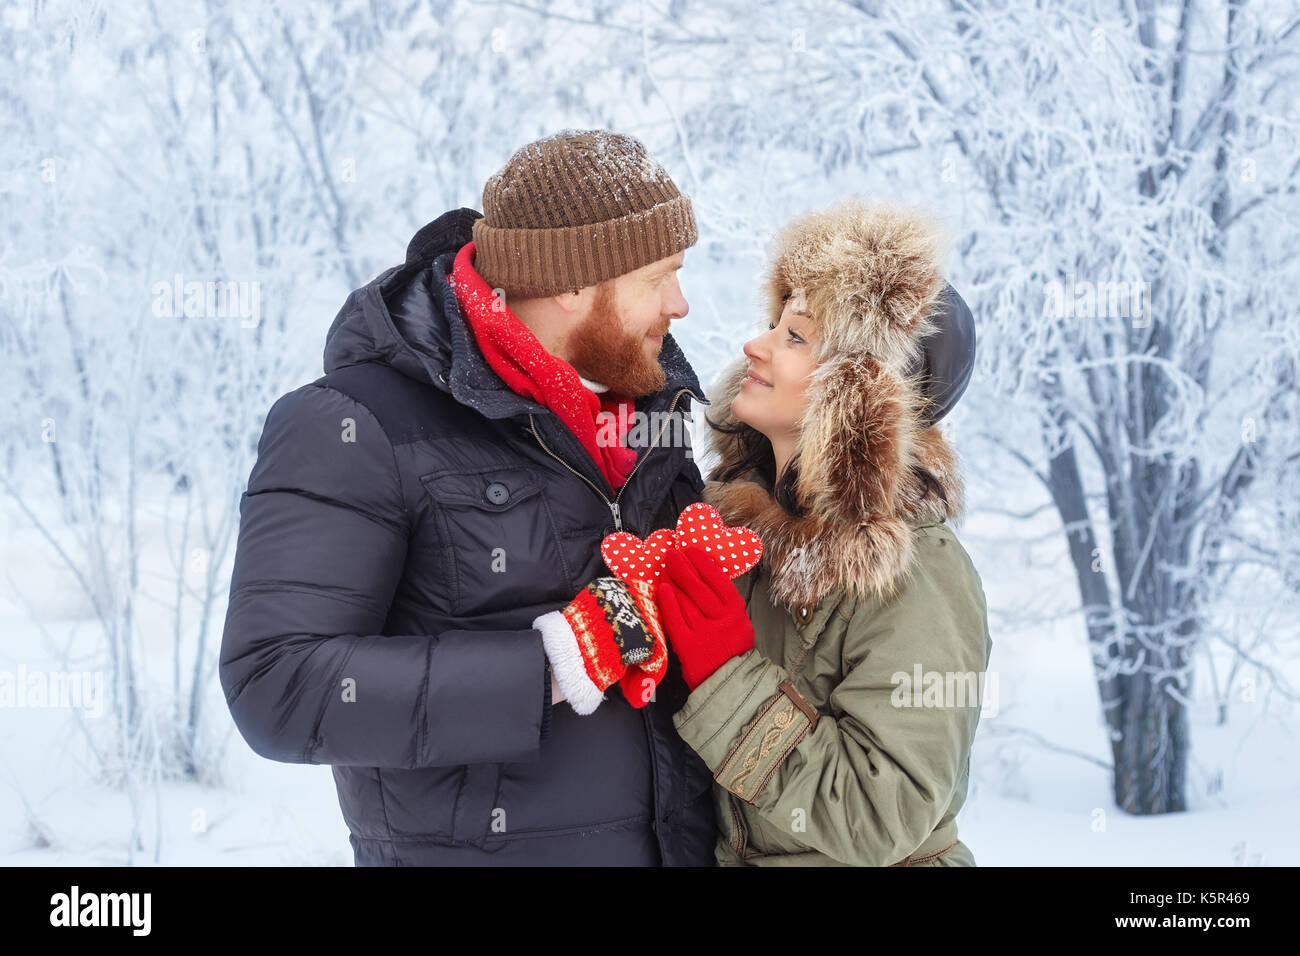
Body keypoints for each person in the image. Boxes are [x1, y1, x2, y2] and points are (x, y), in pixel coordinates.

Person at [218, 129, 718, 865]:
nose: (681, 304)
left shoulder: (649, 412)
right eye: (659, 276)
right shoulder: (356, 425)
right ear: (573, 282)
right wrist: (547, 665)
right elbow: (278, 684)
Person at [654, 196, 991, 866]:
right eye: (774, 324)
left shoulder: (917, 571)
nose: (756, 344)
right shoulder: (734, 532)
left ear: (858, 393)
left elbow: (881, 812)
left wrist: (725, 675)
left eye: (796, 337)